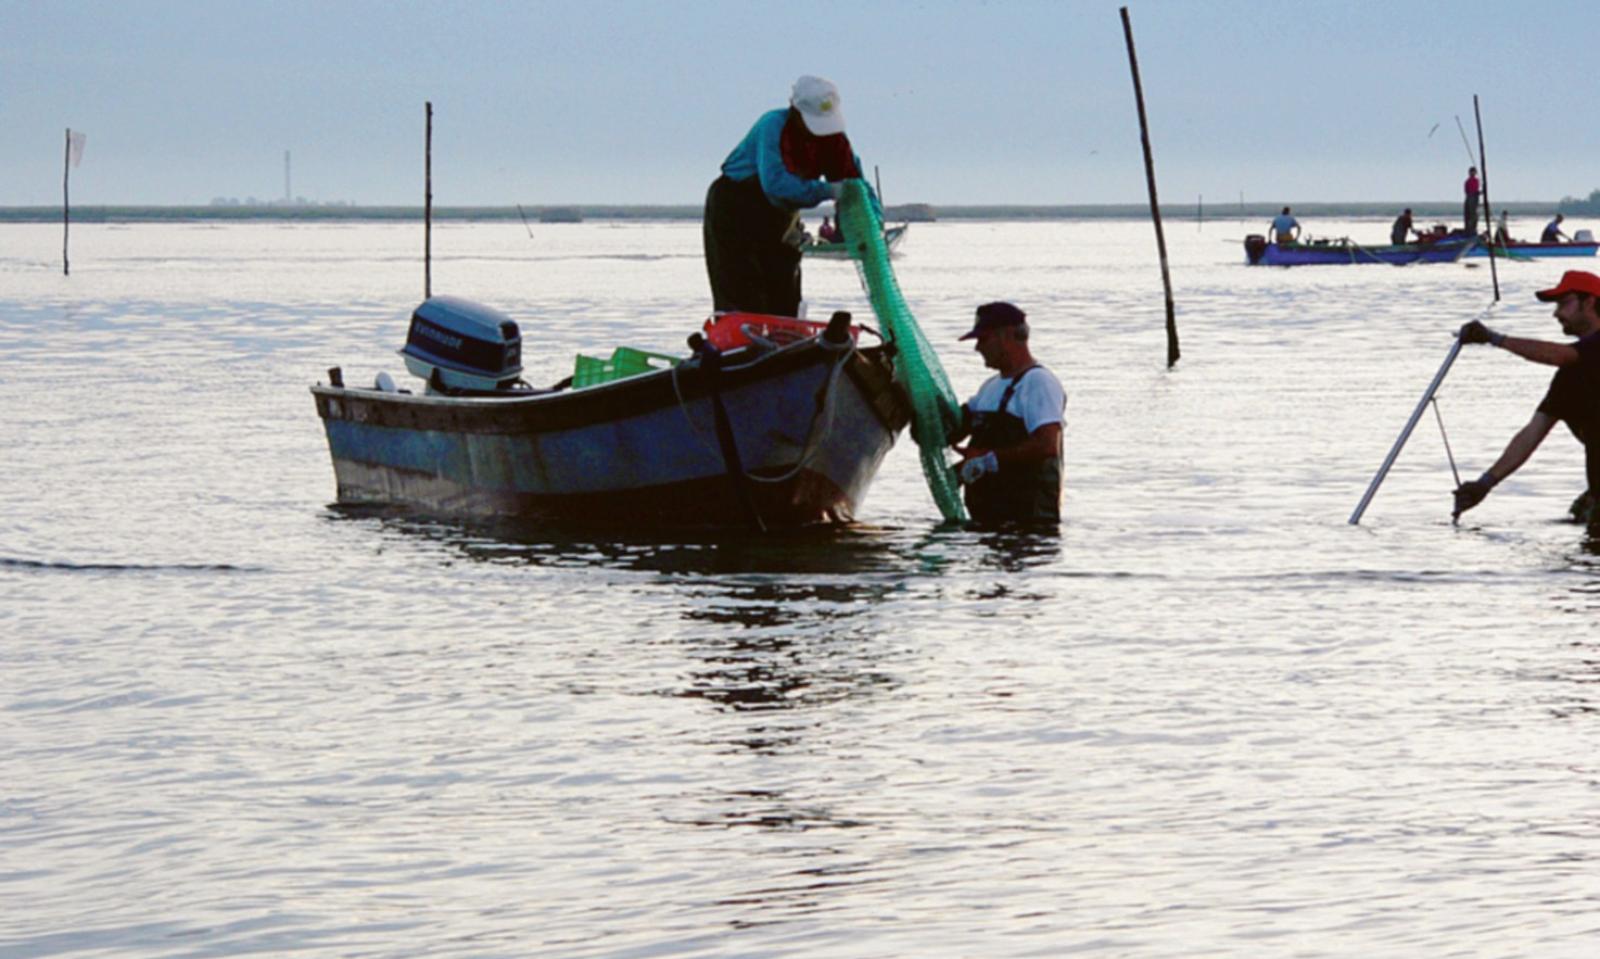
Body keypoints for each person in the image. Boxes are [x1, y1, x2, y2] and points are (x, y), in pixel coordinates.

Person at [703, 75, 874, 317]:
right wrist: (828, 190)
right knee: (740, 284)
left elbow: (856, 185)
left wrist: (870, 222)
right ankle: (740, 345)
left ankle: (785, 342)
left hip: (781, 213)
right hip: (736, 204)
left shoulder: (834, 138)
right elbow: (775, 184)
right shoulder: (772, 125)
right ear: (795, 110)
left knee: (784, 285)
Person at [1453, 270, 1600, 524]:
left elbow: (1560, 355)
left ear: (1589, 302)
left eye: (1564, 303)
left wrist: (1494, 338)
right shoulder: (1569, 378)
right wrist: (1484, 484)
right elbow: (1531, 434)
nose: (1556, 313)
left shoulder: (1581, 353)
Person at [947, 302, 1066, 524]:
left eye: (983, 339)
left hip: (1028, 526)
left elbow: (1047, 445)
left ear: (1007, 337)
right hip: (987, 522)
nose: (977, 348)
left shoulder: (1039, 382)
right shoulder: (989, 388)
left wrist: (987, 460)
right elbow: (956, 429)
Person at [1463, 166, 1481, 236]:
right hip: (1470, 197)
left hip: (1474, 197)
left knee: (1474, 214)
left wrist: (1477, 193)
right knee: (1469, 214)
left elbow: (1476, 189)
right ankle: (1469, 229)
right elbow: (1466, 190)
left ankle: (1472, 229)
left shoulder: (1476, 180)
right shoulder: (1467, 181)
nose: (1472, 173)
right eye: (1471, 172)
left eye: (1473, 172)